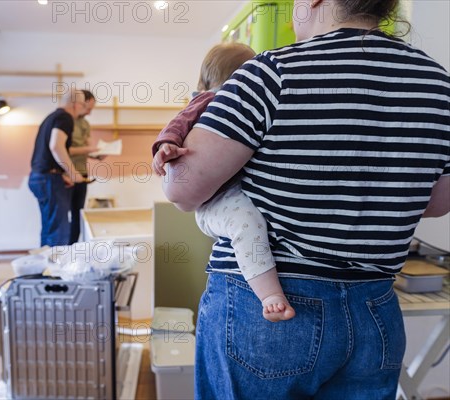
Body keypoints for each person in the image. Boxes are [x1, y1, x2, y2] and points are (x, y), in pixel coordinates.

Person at [162, 0, 450, 398]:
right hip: (375, 308)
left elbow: (182, 189)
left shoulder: (272, 72)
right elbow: (437, 202)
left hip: (267, 310)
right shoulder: (437, 83)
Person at [152, 43, 295, 322]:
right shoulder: (210, 99)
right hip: (217, 201)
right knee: (246, 223)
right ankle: (270, 295)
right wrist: (166, 145)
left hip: (232, 190)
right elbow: (178, 123)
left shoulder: (250, 99)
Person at [28, 90, 89, 247]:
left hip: (39, 177)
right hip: (49, 180)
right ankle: (56, 271)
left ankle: (45, 269)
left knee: (49, 229)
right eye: (83, 105)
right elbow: (56, 146)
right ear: (76, 105)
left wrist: (61, 174)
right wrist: (73, 173)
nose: (83, 109)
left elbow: (47, 153)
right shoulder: (65, 118)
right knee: (59, 232)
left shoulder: (51, 117)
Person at [68, 90, 98, 244]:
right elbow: (61, 149)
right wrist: (88, 150)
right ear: (79, 103)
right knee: (60, 219)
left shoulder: (85, 124)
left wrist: (98, 154)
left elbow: (87, 148)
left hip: (82, 174)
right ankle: (60, 252)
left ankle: (72, 249)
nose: (89, 112)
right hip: (65, 174)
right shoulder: (65, 121)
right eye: (88, 108)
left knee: (77, 216)